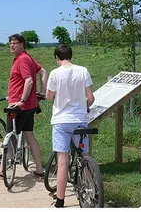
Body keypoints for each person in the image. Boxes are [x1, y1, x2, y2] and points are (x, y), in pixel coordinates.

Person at [0, 34, 47, 179]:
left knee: (9, 136)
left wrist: (21, 100)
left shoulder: (22, 60)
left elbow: (28, 81)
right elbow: (43, 71)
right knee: (30, 136)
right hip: (30, 106)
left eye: (15, 43)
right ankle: (39, 169)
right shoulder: (28, 58)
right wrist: (42, 91)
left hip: (19, 107)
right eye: (10, 43)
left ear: (22, 44)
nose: (12, 45)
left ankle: (2, 170)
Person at [46, 44, 95, 208]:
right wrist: (84, 107)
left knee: (62, 162)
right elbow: (90, 97)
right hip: (80, 119)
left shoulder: (54, 73)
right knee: (85, 155)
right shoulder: (83, 71)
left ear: (56, 58)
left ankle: (60, 200)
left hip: (61, 121)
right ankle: (90, 190)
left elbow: (49, 97)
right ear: (71, 56)